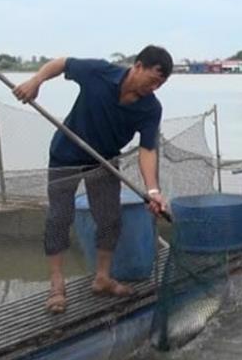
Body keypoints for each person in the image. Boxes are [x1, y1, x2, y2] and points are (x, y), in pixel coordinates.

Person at [13, 45, 173, 313]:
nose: (154, 87)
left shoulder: (150, 108)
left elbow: (148, 149)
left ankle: (102, 278)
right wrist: (35, 81)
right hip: (65, 156)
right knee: (59, 218)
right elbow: (62, 62)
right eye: (153, 79)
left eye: (161, 84)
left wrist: (153, 190)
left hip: (104, 162)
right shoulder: (99, 72)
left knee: (110, 219)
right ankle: (56, 285)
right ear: (138, 66)